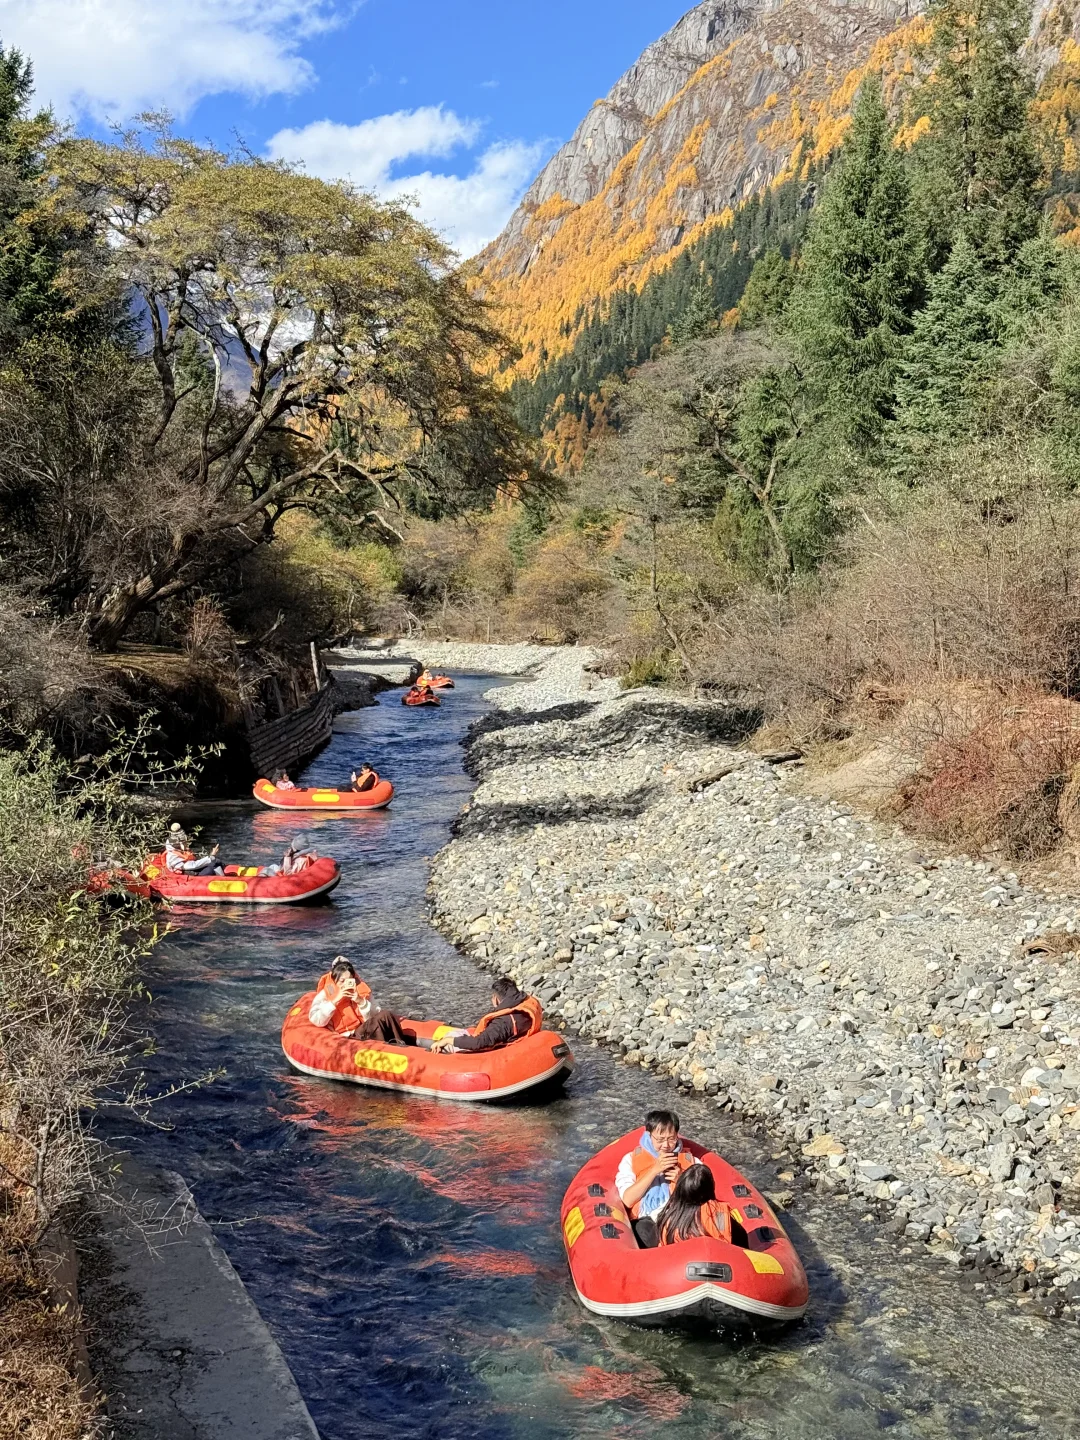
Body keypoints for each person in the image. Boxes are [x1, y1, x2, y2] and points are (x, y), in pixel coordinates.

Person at [615, 1109, 700, 1248]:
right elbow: (628, 1200)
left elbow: (703, 1200)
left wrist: (681, 1181)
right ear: (649, 1136)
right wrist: (654, 1170)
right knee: (642, 1232)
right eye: (660, 1140)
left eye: (671, 1139)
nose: (666, 1145)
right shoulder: (631, 1159)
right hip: (647, 1220)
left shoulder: (691, 1161)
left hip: (680, 1217)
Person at [308, 958, 415, 1044]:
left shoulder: (360, 990)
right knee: (376, 1025)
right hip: (348, 1037)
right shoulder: (325, 995)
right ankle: (385, 1054)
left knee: (386, 1014)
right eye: (342, 981)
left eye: (349, 980)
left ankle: (402, 1046)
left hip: (363, 1029)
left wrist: (361, 1002)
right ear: (334, 980)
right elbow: (316, 1020)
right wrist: (335, 1001)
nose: (346, 984)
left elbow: (376, 1013)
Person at [429, 977, 543, 1054]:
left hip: (493, 1050)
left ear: (496, 998)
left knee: (449, 1037)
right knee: (456, 1034)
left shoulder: (503, 1022)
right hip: (516, 1038)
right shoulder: (527, 1004)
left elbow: (479, 1042)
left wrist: (447, 1040)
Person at [656, 1164, 731, 1246]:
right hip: (713, 1256)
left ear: (680, 1189)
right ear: (711, 1187)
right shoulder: (720, 1212)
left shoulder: (667, 1218)